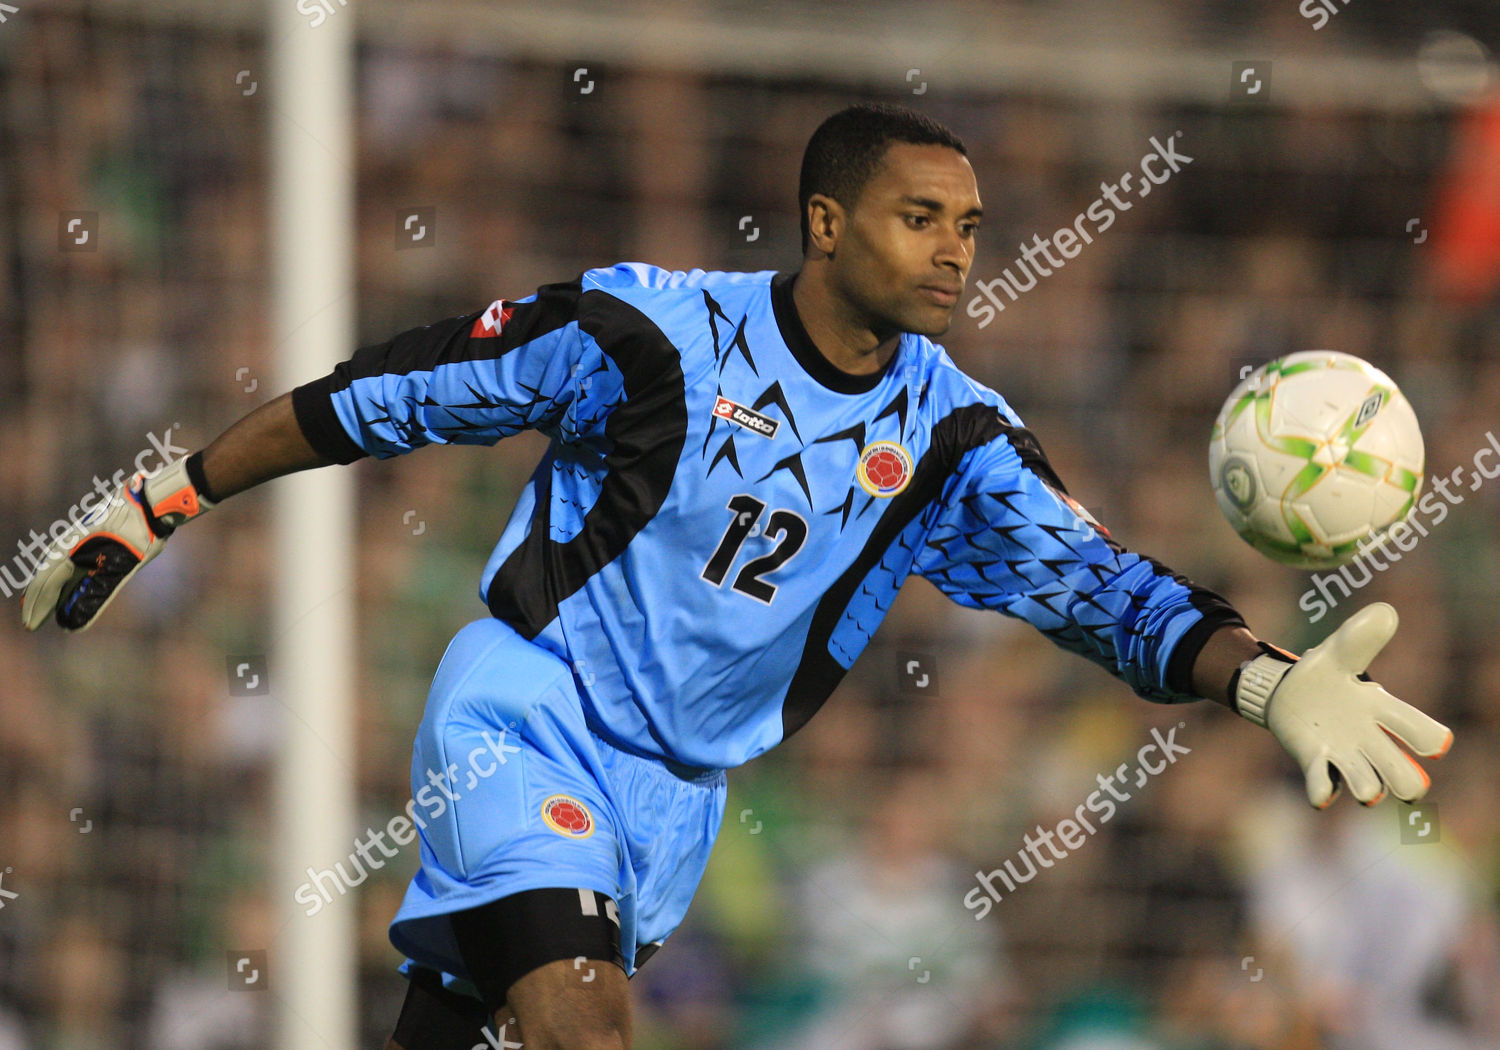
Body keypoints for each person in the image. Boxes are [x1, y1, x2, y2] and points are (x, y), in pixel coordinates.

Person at [21, 103, 1454, 1050]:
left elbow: (1094, 587)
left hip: (677, 797)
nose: (955, 251)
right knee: (589, 1020)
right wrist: (170, 495)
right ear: (826, 223)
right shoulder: (650, 333)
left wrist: (1263, 677)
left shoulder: (953, 432)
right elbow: (391, 392)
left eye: (969, 226)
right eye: (918, 218)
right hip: (527, 712)